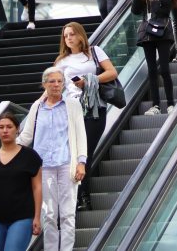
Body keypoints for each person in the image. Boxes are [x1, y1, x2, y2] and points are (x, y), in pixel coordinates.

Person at [17, 68, 86, 251]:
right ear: (44, 84)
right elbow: (26, 136)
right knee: (48, 215)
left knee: (67, 214)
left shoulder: (72, 105)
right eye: (52, 82)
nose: (56, 85)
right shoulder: (37, 107)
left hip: (66, 165)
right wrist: (7, 148)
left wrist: (81, 161)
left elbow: (81, 135)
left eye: (59, 81)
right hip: (43, 168)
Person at [53, 21, 118, 211]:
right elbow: (55, 86)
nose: (69, 38)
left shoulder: (94, 52)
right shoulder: (61, 61)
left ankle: (83, 198)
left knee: (85, 153)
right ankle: (82, 197)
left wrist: (90, 81)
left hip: (94, 109)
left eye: (72, 34)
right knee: (75, 155)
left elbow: (112, 72)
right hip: (72, 111)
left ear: (80, 35)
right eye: (66, 36)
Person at [0, 112, 42, 251]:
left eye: (9, 126)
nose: (5, 130)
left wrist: (37, 217)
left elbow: (37, 187)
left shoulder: (30, 156)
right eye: (1, 127)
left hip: (22, 217)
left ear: (17, 128)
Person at [132, 0, 177, 115]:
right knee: (152, 71)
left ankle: (171, 104)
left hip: (163, 31)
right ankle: (156, 106)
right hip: (147, 33)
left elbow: (167, 2)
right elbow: (135, 10)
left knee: (164, 69)